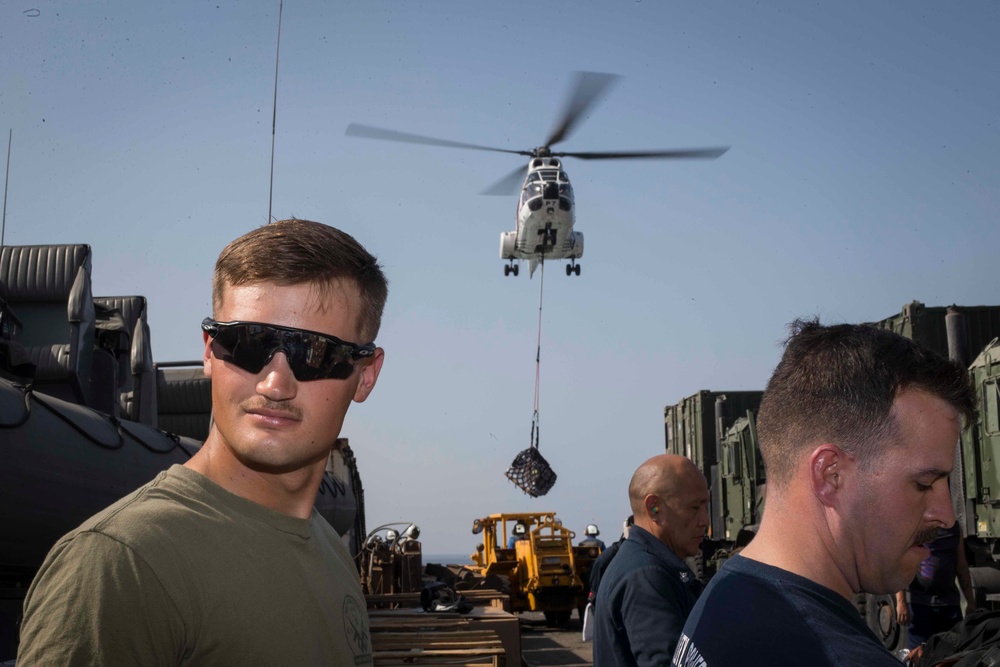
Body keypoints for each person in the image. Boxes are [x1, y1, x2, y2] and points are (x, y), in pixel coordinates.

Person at [18, 219, 387, 665]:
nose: (274, 383)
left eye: (316, 353)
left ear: (365, 374)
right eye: (248, 344)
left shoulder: (330, 554)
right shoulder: (120, 565)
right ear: (210, 351)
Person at [673, 319, 976, 667]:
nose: (946, 515)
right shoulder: (837, 656)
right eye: (923, 484)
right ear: (830, 475)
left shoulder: (725, 596)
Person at [593, 454, 710, 665]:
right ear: (654, 508)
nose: (705, 520)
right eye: (694, 508)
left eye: (705, 507)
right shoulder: (646, 577)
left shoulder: (643, 566)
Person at [895, 521, 976, 652]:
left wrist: (971, 603)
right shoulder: (916, 524)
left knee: (951, 655)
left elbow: (961, 567)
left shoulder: (954, 529)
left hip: (949, 606)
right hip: (920, 605)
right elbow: (902, 563)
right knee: (920, 657)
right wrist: (901, 601)